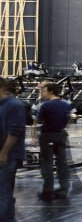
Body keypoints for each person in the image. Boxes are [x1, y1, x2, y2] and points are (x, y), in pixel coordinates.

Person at [37, 82, 73, 202]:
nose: (44, 93)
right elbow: (69, 118)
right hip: (61, 135)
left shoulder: (46, 105)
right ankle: (63, 189)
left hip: (48, 135)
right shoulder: (66, 105)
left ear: (51, 91)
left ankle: (48, 191)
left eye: (45, 91)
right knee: (62, 163)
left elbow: (40, 120)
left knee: (47, 163)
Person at [0, 78, 26, 222]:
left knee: (3, 192)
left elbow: (15, 131)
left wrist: (4, 153)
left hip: (7, 156)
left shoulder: (14, 105)